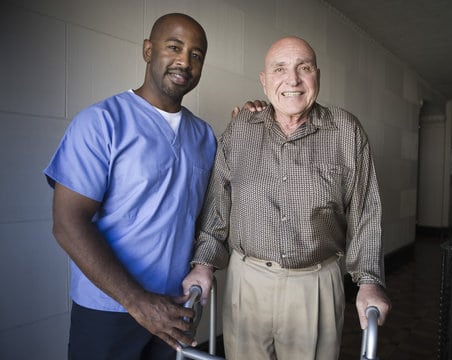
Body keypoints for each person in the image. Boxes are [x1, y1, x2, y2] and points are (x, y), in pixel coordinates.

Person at [183, 36, 391, 359]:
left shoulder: (346, 132)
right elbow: (217, 211)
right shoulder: (240, 130)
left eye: (303, 68)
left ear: (317, 76)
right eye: (279, 69)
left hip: (316, 285)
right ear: (264, 82)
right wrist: (203, 264)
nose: (292, 80)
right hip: (246, 283)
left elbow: (365, 212)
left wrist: (369, 281)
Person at [44, 13, 216, 359]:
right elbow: (67, 224)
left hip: (177, 308)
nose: (185, 60)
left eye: (196, 55)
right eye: (174, 47)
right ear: (148, 50)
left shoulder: (205, 136)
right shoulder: (101, 122)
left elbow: (209, 217)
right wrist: (139, 302)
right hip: (109, 311)